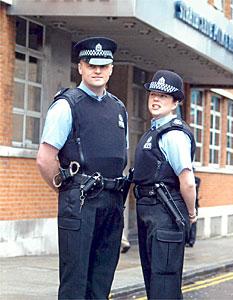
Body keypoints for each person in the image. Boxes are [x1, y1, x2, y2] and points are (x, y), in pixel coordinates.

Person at [37, 37, 128, 300]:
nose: (97, 70)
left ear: (111, 68)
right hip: (79, 201)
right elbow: (45, 158)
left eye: (103, 65)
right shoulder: (67, 105)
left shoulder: (118, 107)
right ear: (80, 67)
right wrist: (67, 190)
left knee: (101, 281)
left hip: (112, 201)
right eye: (91, 65)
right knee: (75, 282)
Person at [133, 70, 197, 299]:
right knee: (155, 282)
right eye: (153, 94)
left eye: (164, 95)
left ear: (176, 102)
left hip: (167, 211)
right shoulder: (155, 130)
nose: (156, 99)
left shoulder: (174, 134)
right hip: (151, 211)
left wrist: (191, 214)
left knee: (164, 284)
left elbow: (187, 181)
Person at [186, 175, 201, 247]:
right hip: (189, 204)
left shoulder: (196, 180)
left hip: (193, 205)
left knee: (193, 222)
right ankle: (188, 239)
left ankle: (191, 240)